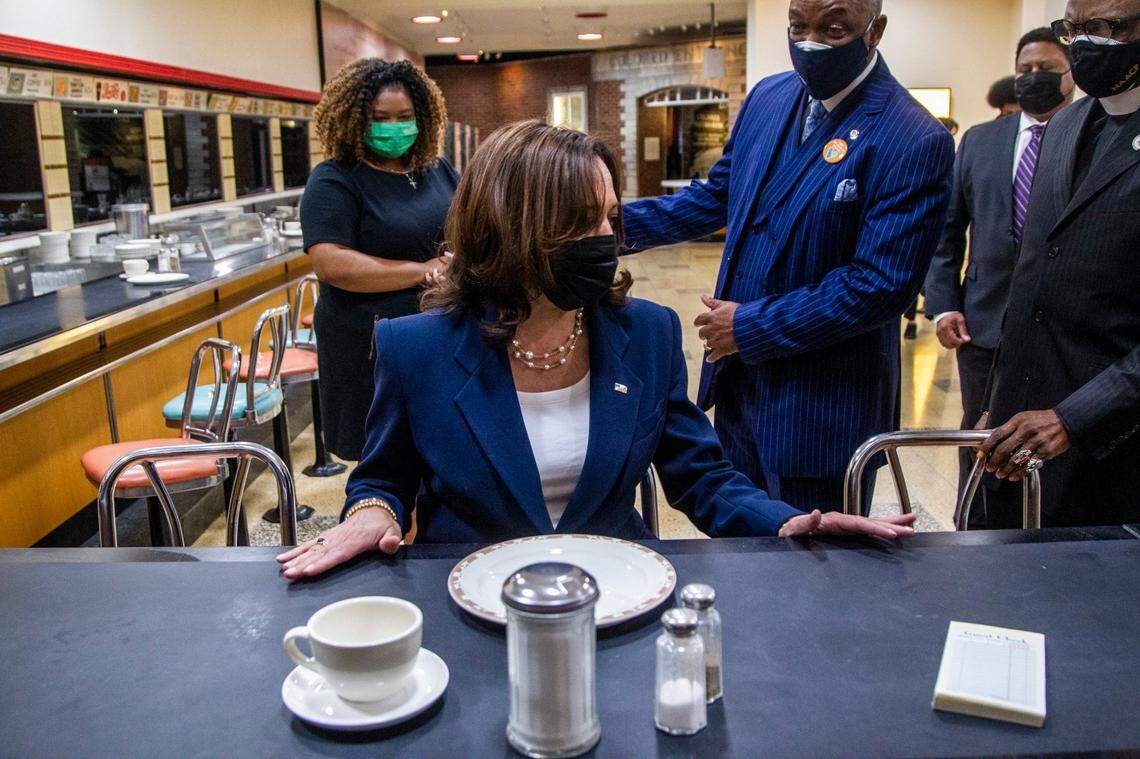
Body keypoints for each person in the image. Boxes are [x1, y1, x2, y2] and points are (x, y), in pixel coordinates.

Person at [277, 122, 914, 579]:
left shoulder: (649, 334)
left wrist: (784, 522)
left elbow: (703, 477)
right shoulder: (414, 347)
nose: (607, 239)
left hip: (616, 593)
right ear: (511, 226)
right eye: (584, 220)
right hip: (469, 596)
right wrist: (367, 511)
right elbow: (385, 476)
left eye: (611, 217)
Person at [619, 0, 955, 513]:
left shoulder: (912, 137)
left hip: (821, 409)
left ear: (875, 30)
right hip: (741, 389)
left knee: (814, 566)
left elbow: (879, 286)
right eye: (798, 26)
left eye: (833, 28)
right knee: (743, 539)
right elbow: (717, 196)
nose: (810, 41)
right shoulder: (770, 97)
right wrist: (609, 226)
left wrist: (749, 327)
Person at [978, 0, 1140, 528]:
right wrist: (996, 398)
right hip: (1018, 432)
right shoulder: (1067, 124)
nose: (1084, 44)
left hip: (1111, 446)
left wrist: (1074, 418)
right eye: (1073, 29)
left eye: (1105, 28)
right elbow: (1033, 279)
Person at [923, 27, 1075, 525]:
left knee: (1046, 443)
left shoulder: (1089, 137)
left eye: (1046, 71)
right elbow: (947, 232)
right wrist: (944, 303)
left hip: (1061, 328)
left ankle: (1038, 534)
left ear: (1070, 74)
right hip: (983, 324)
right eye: (1024, 69)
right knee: (979, 434)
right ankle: (974, 527)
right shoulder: (981, 141)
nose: (1033, 79)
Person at [301, 59, 456, 462]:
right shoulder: (335, 179)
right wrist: (422, 272)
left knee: (441, 451)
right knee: (387, 457)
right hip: (368, 340)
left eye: (405, 117)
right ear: (355, 120)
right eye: (380, 118)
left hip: (439, 329)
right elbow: (331, 262)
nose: (394, 127)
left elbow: (468, 222)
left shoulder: (436, 171)